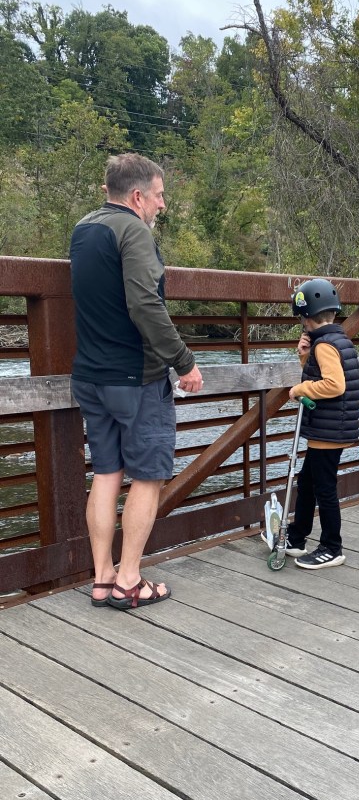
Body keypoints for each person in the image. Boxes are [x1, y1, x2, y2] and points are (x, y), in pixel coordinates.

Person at [69, 152, 203, 609]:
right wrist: (184, 362)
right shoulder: (134, 232)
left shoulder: (84, 229)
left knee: (106, 474)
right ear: (138, 195)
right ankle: (129, 581)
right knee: (148, 477)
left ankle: (102, 578)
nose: (163, 204)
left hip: (91, 376)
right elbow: (145, 305)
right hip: (135, 378)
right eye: (160, 195)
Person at [279, 277, 359, 569]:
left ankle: (331, 547)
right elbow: (324, 375)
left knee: (324, 489)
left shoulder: (324, 345)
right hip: (331, 427)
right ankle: (297, 537)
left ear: (305, 317)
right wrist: (305, 358)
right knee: (308, 482)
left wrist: (300, 389)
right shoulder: (338, 339)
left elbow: (334, 385)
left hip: (328, 430)